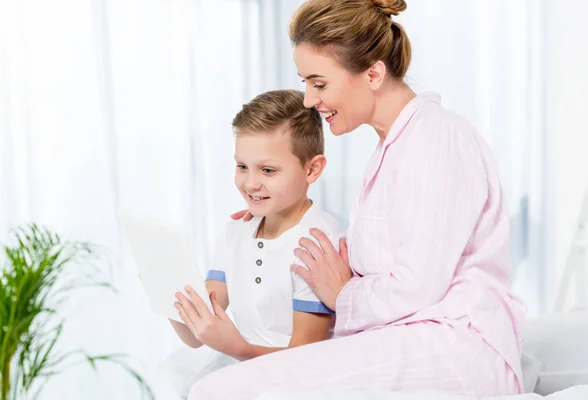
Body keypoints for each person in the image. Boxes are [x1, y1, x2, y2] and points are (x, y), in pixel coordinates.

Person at [187, 0, 526, 399]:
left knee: (222, 392)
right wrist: (273, 211)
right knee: (214, 384)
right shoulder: (393, 148)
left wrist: (343, 293)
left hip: (455, 346)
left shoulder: (436, 139)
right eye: (306, 84)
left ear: (373, 74)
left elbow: (416, 289)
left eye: (319, 83)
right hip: (408, 336)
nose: (310, 101)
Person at [165, 89, 345, 395]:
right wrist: (165, 290)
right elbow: (197, 335)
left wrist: (240, 349)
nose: (250, 183)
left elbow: (306, 361)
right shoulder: (236, 232)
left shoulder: (316, 244)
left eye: (268, 170)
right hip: (242, 373)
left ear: (312, 169)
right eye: (242, 166)